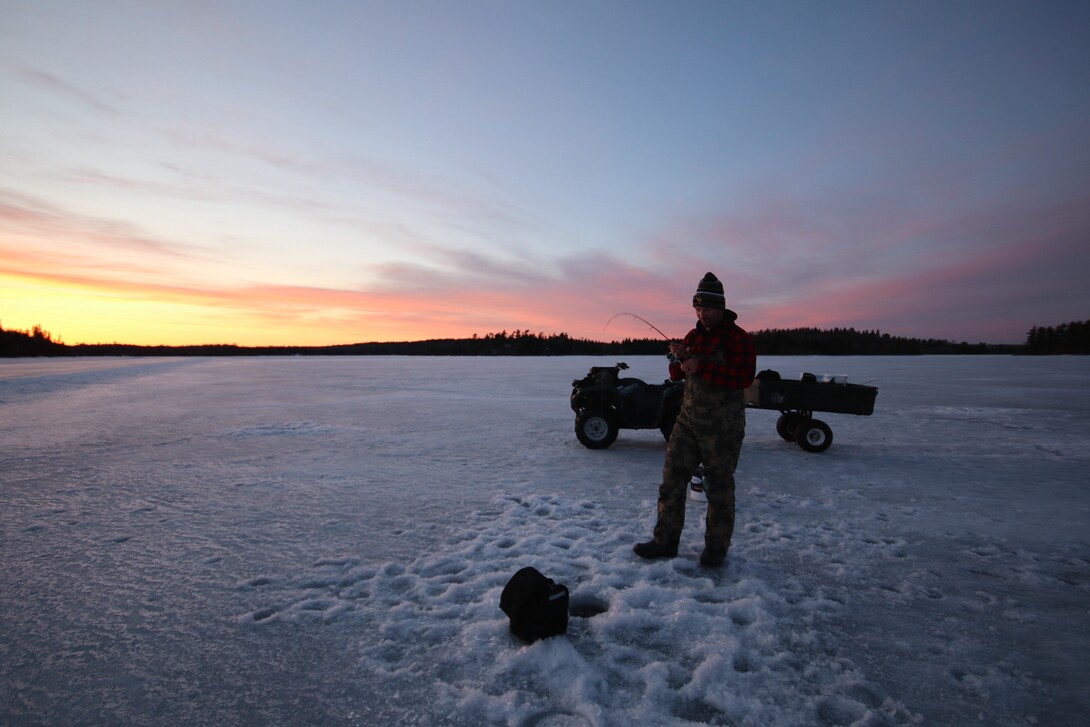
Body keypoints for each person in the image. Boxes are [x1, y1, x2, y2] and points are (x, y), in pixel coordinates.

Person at [633, 272, 756, 568]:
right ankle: (665, 541)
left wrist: (701, 366)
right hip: (687, 422)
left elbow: (743, 377)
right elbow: (677, 376)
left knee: (719, 487)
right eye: (698, 309)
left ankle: (715, 549)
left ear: (722, 307)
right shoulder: (693, 336)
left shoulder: (739, 339)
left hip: (722, 427)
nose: (703, 314)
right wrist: (679, 359)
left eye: (708, 309)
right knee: (671, 480)